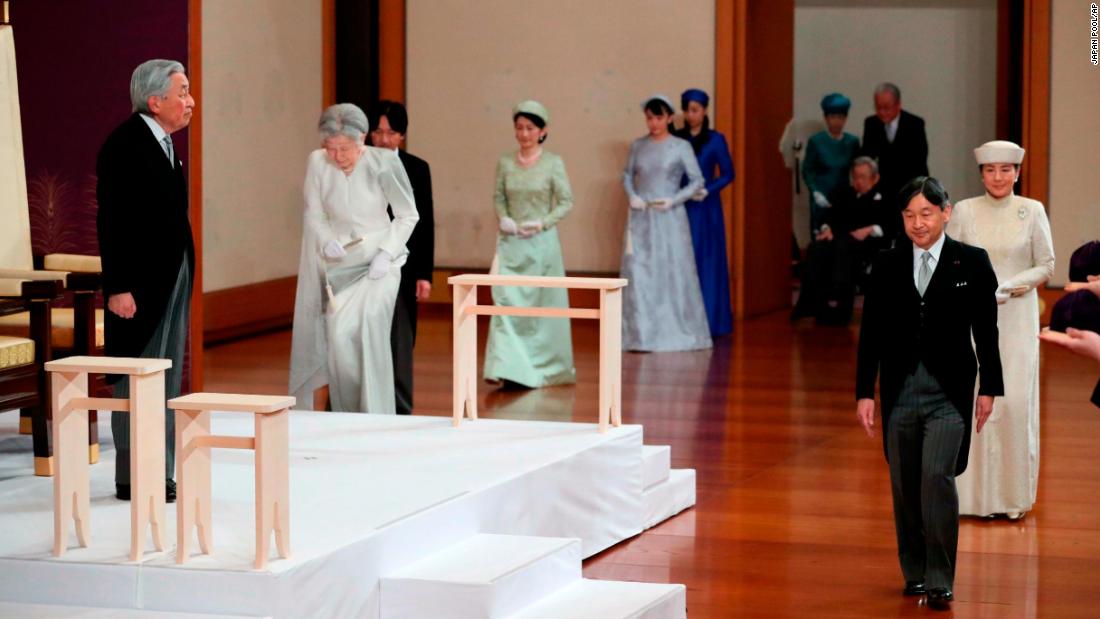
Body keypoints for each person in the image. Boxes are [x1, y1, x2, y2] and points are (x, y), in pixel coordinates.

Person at [855, 176, 1003, 610]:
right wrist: (865, 392)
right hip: (900, 390)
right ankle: (914, 572)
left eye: (926, 213)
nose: (918, 223)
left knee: (936, 479)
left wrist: (989, 387)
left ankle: (941, 578)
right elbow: (871, 335)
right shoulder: (886, 264)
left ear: (946, 212)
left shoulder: (972, 263)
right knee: (904, 485)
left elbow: (986, 332)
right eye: (909, 215)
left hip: (949, 391)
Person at [96, 59, 195, 502]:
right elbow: (112, 221)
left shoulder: (165, 143)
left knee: (166, 375)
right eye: (182, 92)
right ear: (156, 101)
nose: (190, 101)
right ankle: (135, 474)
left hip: (171, 274)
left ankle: (161, 469)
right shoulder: (125, 144)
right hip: (138, 286)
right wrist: (117, 286)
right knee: (138, 374)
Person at [946, 140, 1055, 520]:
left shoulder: (1032, 210)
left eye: (1005, 170)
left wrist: (1014, 283)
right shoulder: (964, 210)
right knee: (973, 394)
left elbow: (1047, 264)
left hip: (1016, 316)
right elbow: (951, 259)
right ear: (981, 174)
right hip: (972, 317)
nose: (998, 177)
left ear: (1017, 173)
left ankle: (1011, 499)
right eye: (990, 170)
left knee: (1014, 401)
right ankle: (970, 497)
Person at [289, 103, 418, 413]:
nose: (337, 156)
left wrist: (386, 253)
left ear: (362, 138)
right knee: (338, 336)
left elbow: (407, 215)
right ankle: (347, 414)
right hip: (342, 264)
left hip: (380, 263)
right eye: (330, 148)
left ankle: (378, 415)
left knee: (371, 331)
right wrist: (326, 240)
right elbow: (314, 213)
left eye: (344, 148)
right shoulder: (318, 163)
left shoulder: (383, 163)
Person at [482, 100, 576, 388]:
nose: (523, 134)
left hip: (541, 245)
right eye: (519, 128)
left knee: (541, 309)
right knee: (507, 305)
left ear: (542, 131)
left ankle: (542, 367)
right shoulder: (506, 162)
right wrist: (504, 218)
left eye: (530, 128)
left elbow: (566, 201)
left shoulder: (553, 163)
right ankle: (508, 368)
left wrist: (543, 222)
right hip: (511, 245)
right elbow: (499, 197)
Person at [621, 95, 711, 352]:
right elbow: (627, 175)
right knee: (640, 272)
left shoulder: (680, 146)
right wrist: (633, 195)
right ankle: (639, 333)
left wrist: (674, 199)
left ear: (670, 118)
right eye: (649, 118)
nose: (653, 123)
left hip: (669, 217)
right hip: (641, 216)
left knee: (670, 269)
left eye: (658, 117)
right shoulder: (638, 145)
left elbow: (696, 181)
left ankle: (673, 330)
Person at [367, 100, 434, 415]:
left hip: (405, 266)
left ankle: (400, 406)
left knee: (401, 338)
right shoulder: (359, 161)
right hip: (367, 259)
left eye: (391, 133)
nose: (383, 139)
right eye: (378, 132)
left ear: (402, 136)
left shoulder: (417, 167)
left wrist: (425, 274)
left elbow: (425, 222)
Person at [791, 156, 893, 324]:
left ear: (875, 178)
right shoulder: (845, 193)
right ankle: (809, 303)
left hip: (868, 243)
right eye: (856, 176)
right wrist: (826, 229)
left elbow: (891, 226)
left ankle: (838, 303)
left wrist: (870, 229)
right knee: (817, 247)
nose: (858, 181)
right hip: (840, 239)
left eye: (863, 177)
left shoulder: (885, 197)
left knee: (844, 248)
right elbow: (828, 217)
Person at [674, 88, 735, 337]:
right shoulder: (677, 139)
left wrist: (708, 190)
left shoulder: (716, 140)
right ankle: (682, 320)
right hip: (683, 206)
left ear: (705, 111)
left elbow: (729, 173)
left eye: (696, 110)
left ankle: (710, 320)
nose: (691, 115)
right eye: (688, 110)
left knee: (707, 260)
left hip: (706, 209)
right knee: (682, 260)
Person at [860, 83, 929, 205]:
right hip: (881, 189)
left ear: (898, 104)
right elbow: (867, 158)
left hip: (909, 187)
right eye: (878, 107)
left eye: (886, 107)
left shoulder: (915, 124)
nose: (882, 112)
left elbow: (919, 161)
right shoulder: (871, 124)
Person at [802, 93, 860, 234]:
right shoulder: (816, 141)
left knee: (841, 232)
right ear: (826, 118)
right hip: (821, 194)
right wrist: (815, 192)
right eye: (832, 117)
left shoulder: (852, 142)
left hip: (842, 196)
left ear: (845, 118)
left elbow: (858, 168)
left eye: (840, 117)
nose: (836, 122)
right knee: (820, 233)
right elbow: (807, 169)